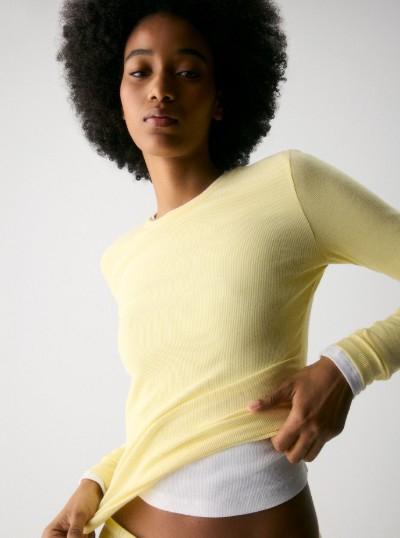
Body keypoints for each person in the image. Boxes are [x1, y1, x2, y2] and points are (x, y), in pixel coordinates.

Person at [42, 1, 400, 537]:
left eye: (187, 72)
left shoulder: (289, 187)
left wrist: (349, 368)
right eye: (139, 71)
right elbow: (178, 415)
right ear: (115, 98)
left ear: (220, 99)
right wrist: (95, 481)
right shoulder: (122, 258)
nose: (160, 89)